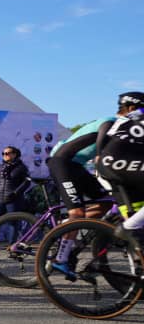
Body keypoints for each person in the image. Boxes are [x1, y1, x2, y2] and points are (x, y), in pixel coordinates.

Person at [46, 103, 120, 273]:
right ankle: (60, 259)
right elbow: (101, 153)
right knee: (77, 213)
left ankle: (67, 225)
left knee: (106, 202)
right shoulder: (110, 122)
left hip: (77, 166)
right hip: (61, 162)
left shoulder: (125, 131)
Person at [96, 92, 144, 241]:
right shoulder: (138, 116)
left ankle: (134, 234)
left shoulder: (131, 116)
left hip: (116, 161)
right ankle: (128, 228)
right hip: (117, 161)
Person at [0, 145, 30, 219]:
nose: (4, 155)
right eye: (3, 153)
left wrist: (15, 193)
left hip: (13, 201)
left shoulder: (21, 167)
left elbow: (27, 182)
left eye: (7, 153)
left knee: (12, 223)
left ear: (14, 154)